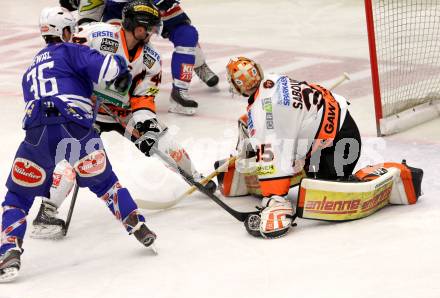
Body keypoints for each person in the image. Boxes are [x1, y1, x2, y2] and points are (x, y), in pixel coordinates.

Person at [31, 0, 216, 240]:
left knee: (163, 141)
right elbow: (69, 57)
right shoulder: (96, 35)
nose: (147, 34)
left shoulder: (151, 59)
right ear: (128, 24)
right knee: (74, 156)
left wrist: (145, 126)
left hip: (124, 113)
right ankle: (46, 211)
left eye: (150, 29)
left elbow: (144, 98)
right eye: (142, 28)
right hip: (89, 111)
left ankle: (194, 176)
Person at [0, 6, 156, 282]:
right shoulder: (72, 50)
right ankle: (137, 224)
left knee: (17, 196)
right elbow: (110, 68)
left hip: (36, 134)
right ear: (66, 31)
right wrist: (121, 68)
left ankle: (9, 250)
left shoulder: (30, 69)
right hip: (75, 127)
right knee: (106, 183)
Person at [223, 57, 362, 238]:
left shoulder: (262, 115)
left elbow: (270, 156)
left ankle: (346, 177)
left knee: (318, 186)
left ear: (238, 85)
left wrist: (275, 197)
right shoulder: (273, 80)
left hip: (338, 150)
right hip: (342, 125)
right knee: (251, 126)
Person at [60, 0, 219, 115]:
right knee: (108, 41)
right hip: (117, 9)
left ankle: (186, 81)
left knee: (186, 34)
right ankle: (114, 87)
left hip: (150, 4)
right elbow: (84, 31)